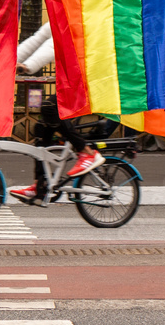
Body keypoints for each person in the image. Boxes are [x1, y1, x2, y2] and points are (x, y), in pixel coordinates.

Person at [9, 22, 104, 203]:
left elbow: (55, 44)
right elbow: (36, 40)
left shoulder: (76, 13)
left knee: (49, 107)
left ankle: (87, 152)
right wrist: (8, 63)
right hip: (72, 81)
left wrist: (28, 66)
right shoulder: (56, 14)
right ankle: (40, 185)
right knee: (41, 129)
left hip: (91, 79)